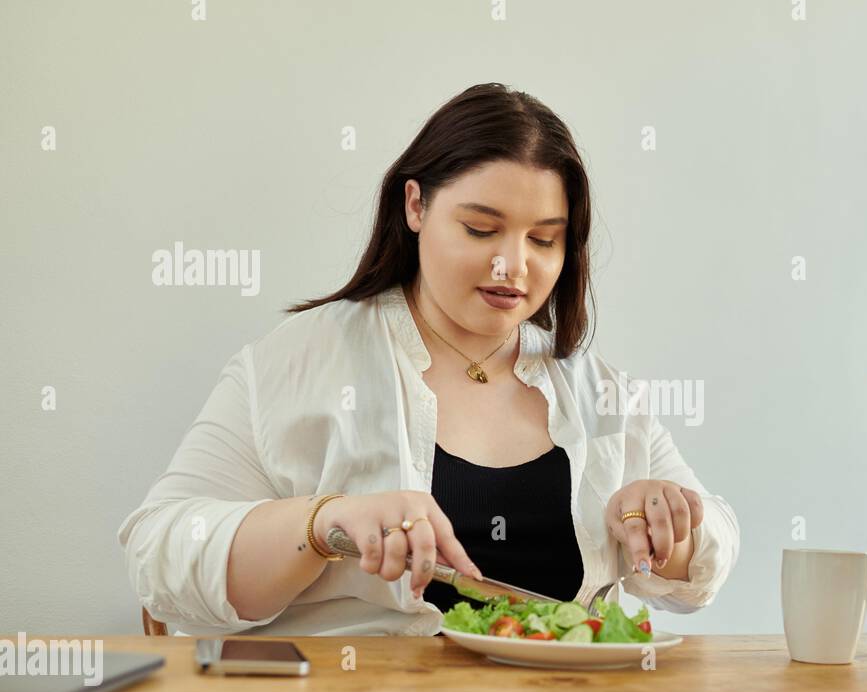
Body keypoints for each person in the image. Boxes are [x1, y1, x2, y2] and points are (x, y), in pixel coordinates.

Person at [117, 82, 740, 637]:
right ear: (415, 206)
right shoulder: (297, 364)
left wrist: (670, 522)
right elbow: (160, 550)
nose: (513, 267)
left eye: (544, 239)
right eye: (480, 229)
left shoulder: (596, 389)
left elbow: (706, 566)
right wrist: (324, 524)